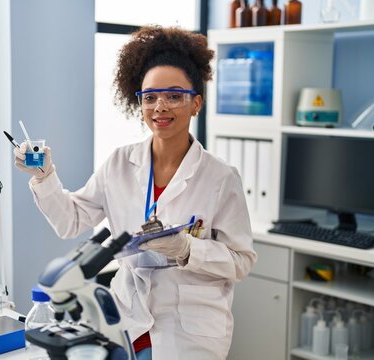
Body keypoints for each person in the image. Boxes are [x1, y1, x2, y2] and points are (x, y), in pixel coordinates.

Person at [14, 25, 257, 360]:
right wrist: (45, 176)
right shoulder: (120, 162)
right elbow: (70, 221)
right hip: (126, 320)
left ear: (196, 103)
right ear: (139, 102)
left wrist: (188, 248)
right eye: (150, 97)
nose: (160, 107)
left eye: (174, 96)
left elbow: (241, 261)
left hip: (189, 333)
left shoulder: (220, 177)